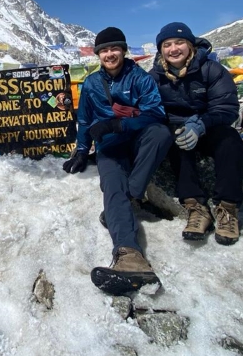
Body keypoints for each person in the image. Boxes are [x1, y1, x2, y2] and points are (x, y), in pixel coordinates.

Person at [63, 27, 173, 295]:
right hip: (110, 149)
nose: (109, 54)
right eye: (104, 50)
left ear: (123, 50)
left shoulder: (140, 78)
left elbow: (155, 114)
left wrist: (119, 125)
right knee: (112, 185)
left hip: (136, 140)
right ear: (98, 54)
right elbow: (85, 120)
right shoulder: (90, 84)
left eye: (114, 48)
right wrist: (80, 149)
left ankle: (132, 194)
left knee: (161, 133)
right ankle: (130, 256)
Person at [149, 22, 243, 246]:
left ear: (190, 45)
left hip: (209, 127)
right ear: (161, 50)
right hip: (177, 127)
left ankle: (228, 209)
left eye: (179, 42)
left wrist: (201, 124)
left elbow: (227, 108)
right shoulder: (154, 77)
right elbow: (149, 109)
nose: (173, 49)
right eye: (167, 44)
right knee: (174, 143)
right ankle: (196, 207)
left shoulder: (211, 70)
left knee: (231, 142)